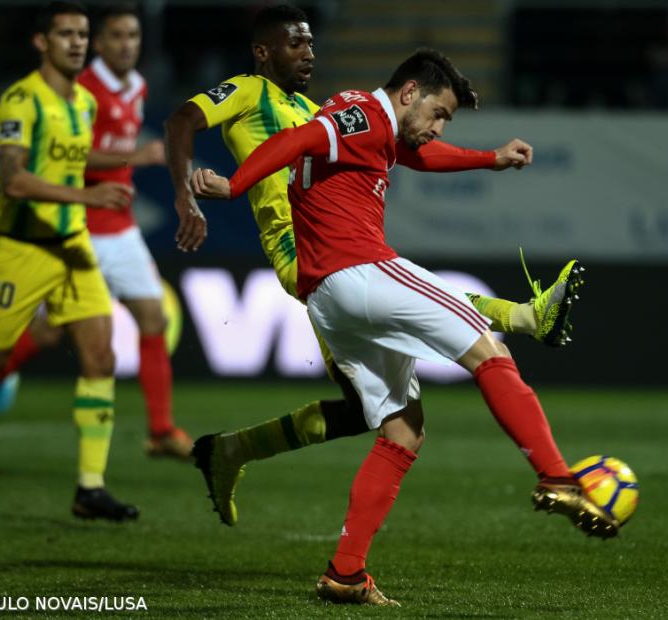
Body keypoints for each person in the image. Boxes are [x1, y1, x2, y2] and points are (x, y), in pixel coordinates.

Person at [184, 47, 617, 606]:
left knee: (402, 429)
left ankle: (345, 574)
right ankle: (556, 475)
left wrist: (491, 158)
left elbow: (420, 157)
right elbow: (300, 140)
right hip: (359, 270)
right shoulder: (362, 111)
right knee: (486, 349)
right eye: (438, 113)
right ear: (409, 92)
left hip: (328, 295)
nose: (438, 127)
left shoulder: (379, 129)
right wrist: (236, 185)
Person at [0, 4, 192, 460]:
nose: (127, 44)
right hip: (78, 224)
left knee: (153, 318)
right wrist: (133, 157)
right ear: (99, 44)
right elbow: (68, 159)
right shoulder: (79, 88)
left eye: (134, 36)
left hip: (120, 228)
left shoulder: (137, 86)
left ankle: (160, 430)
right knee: (44, 334)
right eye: (117, 36)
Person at [0, 1, 139, 522]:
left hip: (70, 247)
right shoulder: (19, 100)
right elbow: (13, 179)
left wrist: (129, 157)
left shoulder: (82, 102)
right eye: (66, 34)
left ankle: (90, 487)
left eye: (82, 34)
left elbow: (72, 159)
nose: (78, 42)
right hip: (19, 249)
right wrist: (87, 198)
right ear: (41, 42)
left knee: (101, 357)